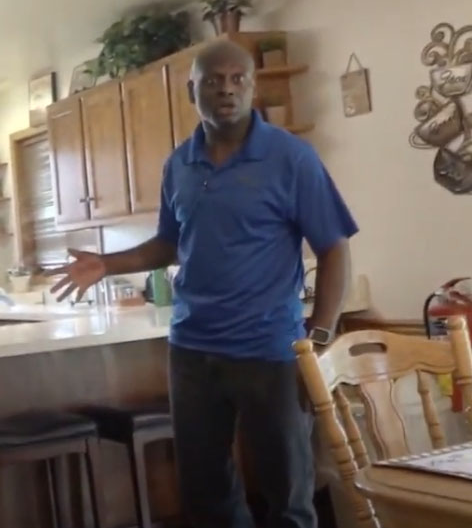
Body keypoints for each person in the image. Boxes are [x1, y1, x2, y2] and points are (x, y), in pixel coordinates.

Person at [52, 40, 358, 528]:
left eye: (238, 79)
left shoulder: (291, 157)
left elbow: (334, 247)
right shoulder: (179, 165)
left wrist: (318, 338)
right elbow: (169, 245)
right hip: (192, 349)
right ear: (192, 89)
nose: (226, 90)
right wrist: (106, 264)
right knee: (206, 492)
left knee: (288, 492)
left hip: (270, 349)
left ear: (253, 88)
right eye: (213, 80)